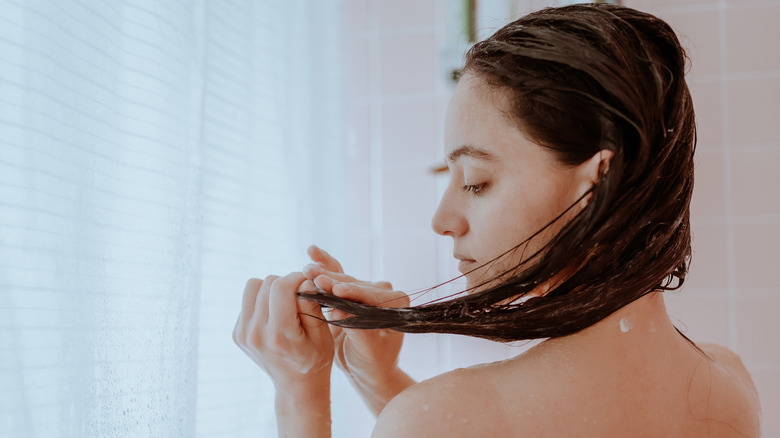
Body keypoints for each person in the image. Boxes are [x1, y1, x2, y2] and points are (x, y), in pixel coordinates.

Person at [232, 3, 761, 437]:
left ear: (599, 180)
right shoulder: (729, 387)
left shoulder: (438, 418)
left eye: (475, 182)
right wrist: (381, 377)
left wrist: (300, 395)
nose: (442, 220)